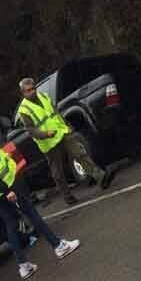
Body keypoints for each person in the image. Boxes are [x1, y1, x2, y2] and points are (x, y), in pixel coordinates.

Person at [0, 110, 79, 280]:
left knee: (11, 223)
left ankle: (23, 266)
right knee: (31, 213)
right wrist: (7, 191)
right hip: (4, 186)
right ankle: (58, 246)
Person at [17, 77, 114, 205]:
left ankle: (101, 177)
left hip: (61, 132)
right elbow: (31, 130)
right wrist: (45, 134)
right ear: (23, 93)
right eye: (29, 90)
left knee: (79, 153)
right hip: (48, 142)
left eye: (33, 88)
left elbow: (55, 113)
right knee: (58, 172)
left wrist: (67, 125)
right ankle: (68, 196)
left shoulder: (44, 96)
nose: (32, 92)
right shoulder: (23, 110)